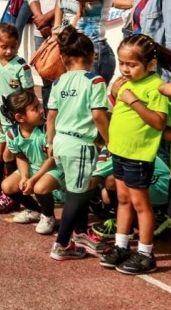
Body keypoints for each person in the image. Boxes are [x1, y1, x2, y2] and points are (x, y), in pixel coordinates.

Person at [97, 35, 171, 275]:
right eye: (122, 64)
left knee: (141, 204)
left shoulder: (156, 87)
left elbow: (159, 122)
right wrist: (116, 93)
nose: (125, 69)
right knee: (122, 199)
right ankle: (121, 245)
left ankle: (145, 252)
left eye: (132, 65)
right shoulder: (125, 83)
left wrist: (134, 102)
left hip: (138, 155)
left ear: (150, 64)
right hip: (120, 151)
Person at [47, 28, 111, 260]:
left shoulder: (58, 82)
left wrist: (50, 142)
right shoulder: (95, 81)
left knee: (77, 188)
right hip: (81, 143)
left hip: (61, 141)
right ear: (92, 56)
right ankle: (62, 244)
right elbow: (98, 115)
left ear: (64, 58)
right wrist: (109, 141)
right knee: (78, 193)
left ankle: (81, 232)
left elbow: (51, 116)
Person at [0, 23, 34, 213]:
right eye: (4, 47)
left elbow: (29, 95)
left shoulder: (21, 66)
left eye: (13, 46)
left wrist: (23, 118)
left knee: (8, 154)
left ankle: (10, 195)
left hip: (14, 120)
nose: (9, 50)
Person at [1, 91, 63, 236]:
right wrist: (24, 176)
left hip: (55, 168)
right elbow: (21, 157)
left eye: (39, 105)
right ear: (20, 117)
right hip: (35, 168)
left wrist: (33, 179)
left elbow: (52, 159)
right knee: (7, 186)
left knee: (38, 186)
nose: (41, 110)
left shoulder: (47, 129)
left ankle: (48, 216)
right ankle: (36, 210)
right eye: (35, 108)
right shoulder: (12, 134)